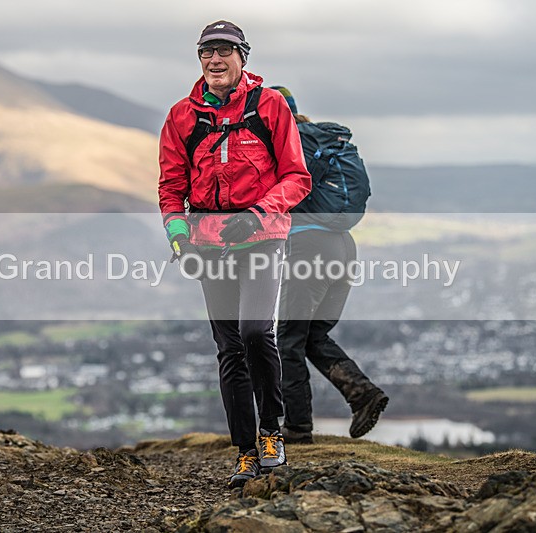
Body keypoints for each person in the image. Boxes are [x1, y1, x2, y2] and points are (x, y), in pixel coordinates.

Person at [158, 22, 311, 487]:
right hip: (209, 244)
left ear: (243, 57)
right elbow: (171, 187)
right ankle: (245, 450)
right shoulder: (182, 116)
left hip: (262, 238)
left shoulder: (270, 106)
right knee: (228, 348)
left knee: (254, 331)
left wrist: (259, 213)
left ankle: (272, 432)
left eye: (224, 51)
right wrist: (179, 237)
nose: (215, 60)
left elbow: (296, 177)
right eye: (207, 52)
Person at [271, 86, 388, 444]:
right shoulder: (321, 141)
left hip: (310, 247)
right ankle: (361, 394)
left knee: (289, 339)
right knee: (312, 335)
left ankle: (297, 427)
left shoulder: (286, 147)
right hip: (343, 247)